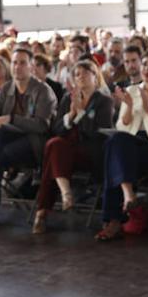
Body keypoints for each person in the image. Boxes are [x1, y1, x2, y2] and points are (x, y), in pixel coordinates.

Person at [0, 48, 57, 229]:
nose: (17, 67)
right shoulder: (7, 88)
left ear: (31, 67)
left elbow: (42, 125)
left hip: (35, 144)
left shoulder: (43, 91)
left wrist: (12, 118)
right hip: (11, 139)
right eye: (14, 62)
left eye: (23, 63)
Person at [96, 50, 148, 241]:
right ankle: (127, 195)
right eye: (144, 64)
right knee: (115, 143)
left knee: (113, 148)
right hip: (129, 145)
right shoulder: (132, 91)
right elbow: (122, 126)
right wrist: (130, 107)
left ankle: (113, 219)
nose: (147, 69)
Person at [31, 60, 114, 233]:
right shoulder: (68, 98)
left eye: (85, 72)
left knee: (51, 157)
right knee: (54, 144)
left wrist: (81, 113)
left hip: (92, 154)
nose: (81, 76)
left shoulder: (104, 101)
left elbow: (97, 133)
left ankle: (42, 212)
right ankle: (66, 193)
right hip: (66, 152)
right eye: (77, 74)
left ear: (95, 76)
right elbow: (56, 129)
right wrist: (71, 114)